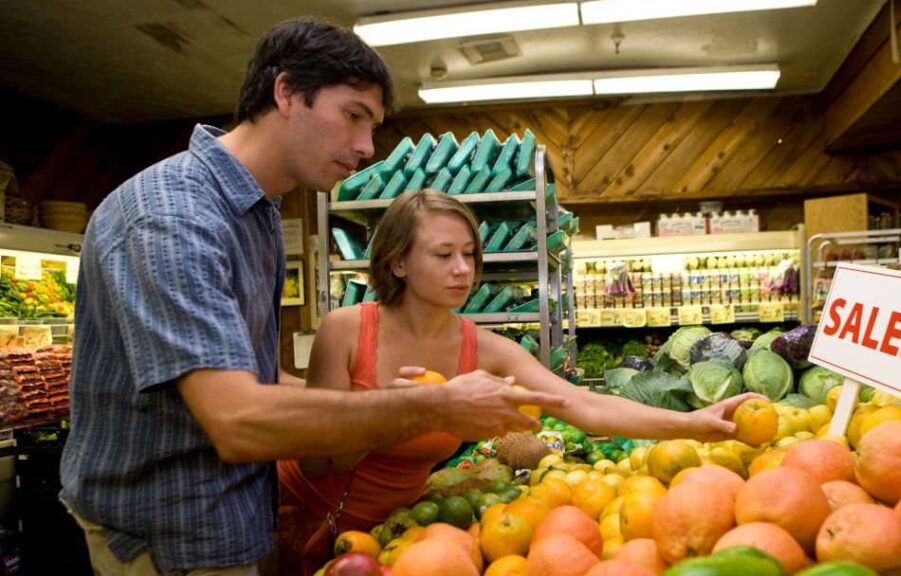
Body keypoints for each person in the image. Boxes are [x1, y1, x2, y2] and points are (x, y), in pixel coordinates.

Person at [58, 19, 564, 576]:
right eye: (353, 116)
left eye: (372, 126)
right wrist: (428, 406)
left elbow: (247, 377)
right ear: (287, 92)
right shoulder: (175, 217)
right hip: (170, 537)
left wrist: (359, 391)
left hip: (235, 521)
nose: (366, 148)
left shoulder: (256, 215)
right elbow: (236, 419)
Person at [278, 189, 761, 574]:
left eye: (469, 253)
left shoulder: (482, 350)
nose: (463, 269)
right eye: (443, 254)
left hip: (405, 533)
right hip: (310, 520)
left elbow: (580, 404)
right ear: (398, 262)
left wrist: (693, 422)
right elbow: (317, 463)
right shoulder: (346, 330)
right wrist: (389, 415)